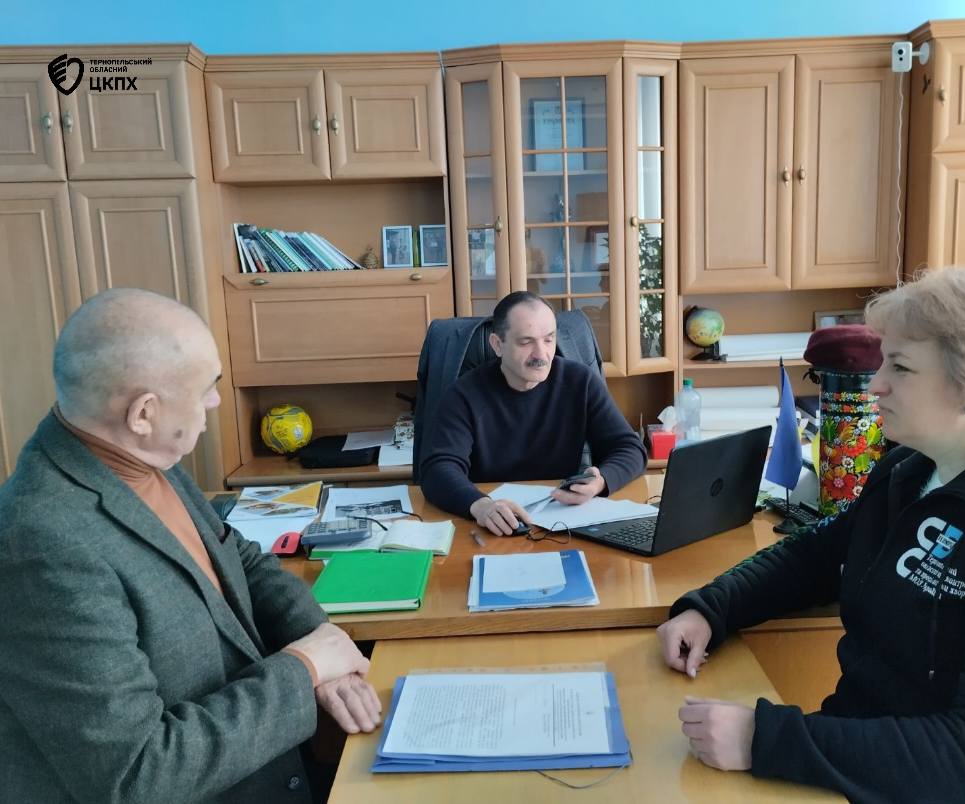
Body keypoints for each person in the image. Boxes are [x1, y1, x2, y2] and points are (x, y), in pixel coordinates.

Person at [656, 267, 965, 803]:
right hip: (859, 765)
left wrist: (766, 740)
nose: (875, 383)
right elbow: (815, 556)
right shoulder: (908, 467)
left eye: (899, 367)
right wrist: (712, 608)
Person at [0, 289, 382, 804]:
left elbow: (238, 558)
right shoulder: (39, 545)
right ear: (143, 413)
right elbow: (138, 774)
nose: (215, 402)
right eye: (206, 389)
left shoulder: (143, 456)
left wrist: (320, 638)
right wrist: (305, 668)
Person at [421, 291, 647, 536]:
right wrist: (480, 505)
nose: (541, 354)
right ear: (497, 345)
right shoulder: (464, 394)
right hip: (494, 528)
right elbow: (437, 469)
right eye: (526, 342)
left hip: (562, 523)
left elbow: (630, 448)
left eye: (549, 339)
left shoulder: (580, 381)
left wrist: (601, 482)